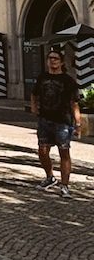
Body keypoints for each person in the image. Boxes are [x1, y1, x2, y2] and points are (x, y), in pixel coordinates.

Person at [31, 48, 82, 199]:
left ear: (61, 62)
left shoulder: (68, 81)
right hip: (45, 120)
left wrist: (78, 123)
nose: (52, 61)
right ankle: (50, 177)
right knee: (42, 151)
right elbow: (34, 93)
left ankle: (64, 185)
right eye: (50, 58)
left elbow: (74, 103)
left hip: (63, 121)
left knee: (64, 152)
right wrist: (34, 107)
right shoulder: (42, 77)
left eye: (55, 58)